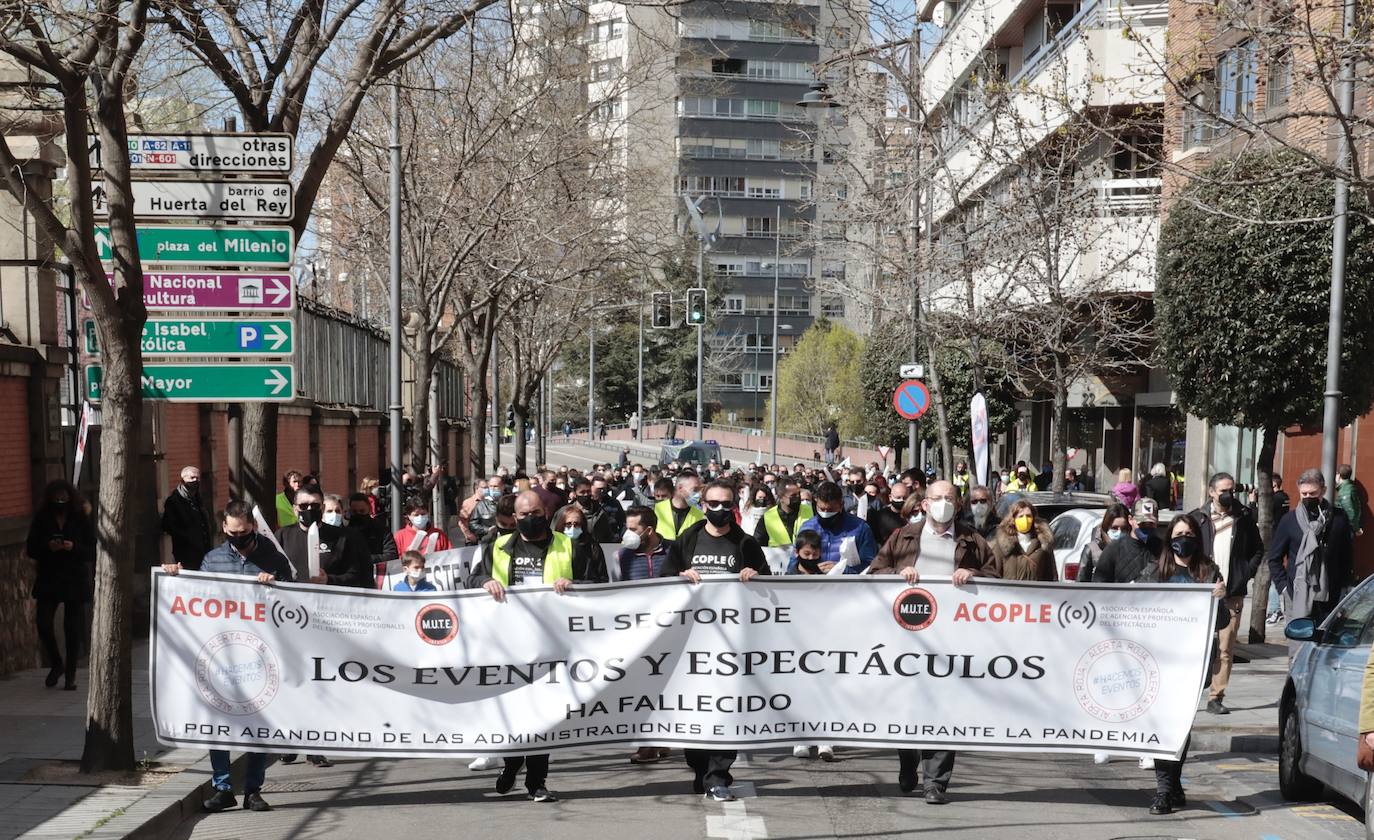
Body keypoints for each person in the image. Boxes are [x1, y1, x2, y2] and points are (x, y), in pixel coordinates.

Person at [869, 479, 998, 803]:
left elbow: (997, 578)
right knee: (909, 710)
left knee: (944, 710)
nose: (943, 504)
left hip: (953, 644)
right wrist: (897, 575)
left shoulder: (973, 541)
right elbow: (874, 572)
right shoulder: (903, 537)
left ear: (959, 504)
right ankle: (908, 759)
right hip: (908, 641)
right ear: (924, 504)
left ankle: (935, 782)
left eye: (950, 498)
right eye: (937, 498)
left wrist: (974, 576)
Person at [162, 500, 294, 813]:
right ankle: (222, 787)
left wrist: (276, 585)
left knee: (258, 726)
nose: (239, 537)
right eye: (233, 532)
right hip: (223, 657)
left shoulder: (273, 557)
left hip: (262, 657)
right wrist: (174, 578)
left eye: (244, 532)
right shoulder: (213, 559)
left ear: (254, 528)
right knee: (217, 723)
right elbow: (200, 597)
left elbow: (294, 599)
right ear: (224, 528)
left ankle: (252, 790)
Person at [659, 481, 770, 801]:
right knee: (696, 710)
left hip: (731, 645)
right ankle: (700, 769)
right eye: (713, 503)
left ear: (734, 505)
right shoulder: (689, 538)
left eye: (726, 504)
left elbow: (770, 590)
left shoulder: (745, 542)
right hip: (691, 643)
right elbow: (663, 582)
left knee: (727, 710)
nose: (719, 509)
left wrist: (755, 578)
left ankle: (719, 774)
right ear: (703, 504)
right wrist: (680, 578)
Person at [469, 490, 574, 803]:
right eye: (524, 515)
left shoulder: (568, 543)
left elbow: (597, 581)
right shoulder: (497, 545)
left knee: (542, 717)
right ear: (514, 518)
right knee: (514, 717)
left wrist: (574, 585)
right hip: (508, 645)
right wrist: (485, 582)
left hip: (551, 645)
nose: (531, 518)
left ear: (546, 512)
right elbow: (474, 579)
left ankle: (536, 782)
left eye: (536, 512)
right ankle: (511, 765)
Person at [1145, 514, 1226, 815]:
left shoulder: (1208, 571)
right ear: (1170, 539)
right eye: (1178, 533)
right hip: (1161, 662)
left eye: (1189, 533)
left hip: (1193, 664)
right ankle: (1165, 790)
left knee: (1181, 727)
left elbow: (1220, 622)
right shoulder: (1156, 571)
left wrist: (1219, 599)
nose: (1184, 538)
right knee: (1165, 725)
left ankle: (1173, 784)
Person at [1187, 472, 1263, 715]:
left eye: (1231, 489)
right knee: (1195, 646)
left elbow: (1258, 550)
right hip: (1201, 595)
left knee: (1225, 648)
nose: (1228, 494)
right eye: (1223, 490)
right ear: (1211, 492)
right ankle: (1188, 693)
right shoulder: (1196, 519)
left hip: (1231, 594)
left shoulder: (1243, 517)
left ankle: (1216, 697)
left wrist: (1244, 575)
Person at [618, 506, 674, 764]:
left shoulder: (675, 550)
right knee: (644, 688)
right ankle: (648, 743)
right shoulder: (624, 556)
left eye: (633, 529)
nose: (627, 534)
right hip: (640, 633)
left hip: (674, 630)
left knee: (671, 687)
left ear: (649, 530)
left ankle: (667, 738)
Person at [27, 480, 94, 691]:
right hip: (49, 577)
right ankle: (57, 663)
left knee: (72, 628)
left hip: (74, 577)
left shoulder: (80, 518)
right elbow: (31, 548)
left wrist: (73, 547)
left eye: (64, 497)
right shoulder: (42, 518)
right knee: (43, 623)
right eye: (56, 498)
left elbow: (91, 549)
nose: (60, 501)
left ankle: (71, 674)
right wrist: (48, 547)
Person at [1268, 468, 1353, 627]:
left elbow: (1346, 556)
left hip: (1331, 596)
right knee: (1299, 646)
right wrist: (1284, 588)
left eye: (1313, 494)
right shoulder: (1289, 520)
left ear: (1324, 491)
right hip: (1297, 594)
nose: (1308, 498)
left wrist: (1345, 588)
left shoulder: (1339, 518)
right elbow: (1274, 558)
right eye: (1304, 494)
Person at [792, 482, 877, 574]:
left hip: (847, 585)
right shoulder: (808, 526)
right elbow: (793, 562)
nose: (825, 513)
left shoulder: (860, 528)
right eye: (821, 509)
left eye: (830, 510)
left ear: (841, 505)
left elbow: (870, 565)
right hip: (814, 585)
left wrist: (843, 570)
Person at [1093, 498, 1163, 583]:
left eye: (1151, 524)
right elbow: (1099, 584)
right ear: (1130, 520)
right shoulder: (1114, 549)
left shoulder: (1163, 550)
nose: (1146, 527)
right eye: (1142, 524)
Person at [990, 500, 1057, 580]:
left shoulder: (1043, 544)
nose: (1025, 519)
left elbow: (1051, 576)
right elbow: (994, 575)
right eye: (1021, 516)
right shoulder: (1002, 545)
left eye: (1028, 516)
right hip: (1010, 592)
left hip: (1035, 592)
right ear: (1013, 519)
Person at [161, 465, 211, 571]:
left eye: (197, 478)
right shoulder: (174, 501)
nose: (195, 481)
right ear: (182, 480)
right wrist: (188, 537)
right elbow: (169, 526)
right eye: (192, 478)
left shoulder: (198, 499)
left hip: (203, 550)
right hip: (185, 552)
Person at [552, 502, 609, 583]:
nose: (572, 528)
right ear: (561, 525)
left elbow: (603, 579)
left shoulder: (593, 547)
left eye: (577, 524)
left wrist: (574, 583)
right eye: (568, 524)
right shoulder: (551, 547)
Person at [347, 492, 399, 576]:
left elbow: (391, 556)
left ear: (369, 509)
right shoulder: (345, 532)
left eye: (362, 511)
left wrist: (366, 558)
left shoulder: (381, 530)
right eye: (355, 512)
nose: (358, 514)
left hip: (377, 575)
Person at [754, 478, 814, 548]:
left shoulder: (810, 510)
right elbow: (757, 545)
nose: (798, 498)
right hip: (778, 558)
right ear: (781, 497)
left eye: (798, 494)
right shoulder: (768, 517)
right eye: (793, 496)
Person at [1078, 503, 1129, 583]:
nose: (1119, 532)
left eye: (1124, 529)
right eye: (1114, 528)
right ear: (1106, 527)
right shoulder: (1091, 551)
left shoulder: (1135, 550)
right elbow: (1081, 585)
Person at [654, 473, 704, 540]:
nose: (699, 494)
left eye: (699, 490)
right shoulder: (656, 509)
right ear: (680, 488)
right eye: (695, 489)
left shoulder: (700, 515)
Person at [868, 480, 908, 548]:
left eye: (904, 498)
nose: (901, 500)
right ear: (890, 497)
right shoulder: (879, 516)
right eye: (898, 498)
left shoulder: (912, 515)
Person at [468, 476, 503, 542]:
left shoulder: (508, 502)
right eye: (490, 486)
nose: (493, 489)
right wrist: (487, 530)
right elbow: (472, 525)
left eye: (495, 486)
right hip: (488, 543)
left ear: (502, 487)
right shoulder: (481, 505)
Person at [1337, 464, 1365, 538]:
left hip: (1345, 529)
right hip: (1347, 528)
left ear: (1339, 476)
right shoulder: (1349, 488)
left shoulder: (1345, 491)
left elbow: (1350, 512)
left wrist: (1356, 529)